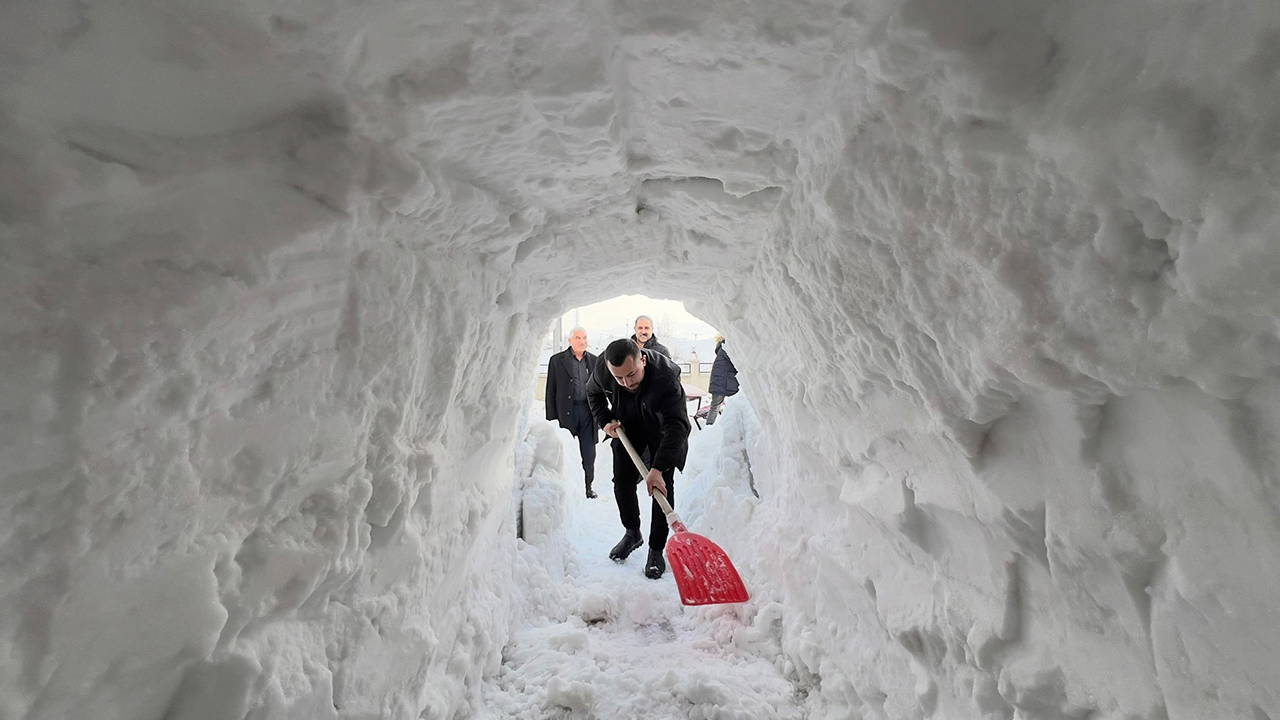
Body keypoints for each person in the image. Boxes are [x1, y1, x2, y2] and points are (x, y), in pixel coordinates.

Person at [587, 338, 691, 579]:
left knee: (661, 486)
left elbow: (677, 426)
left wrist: (658, 468)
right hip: (627, 426)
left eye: (632, 375)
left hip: (661, 429)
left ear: (642, 359)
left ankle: (656, 549)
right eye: (619, 378)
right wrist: (605, 422)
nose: (626, 382)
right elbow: (592, 393)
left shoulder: (666, 378)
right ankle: (632, 532)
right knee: (621, 482)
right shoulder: (604, 369)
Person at [545, 327, 600, 498]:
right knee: (565, 453)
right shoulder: (556, 360)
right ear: (570, 340)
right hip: (565, 412)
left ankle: (588, 487)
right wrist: (552, 420)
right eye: (578, 337)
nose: (582, 341)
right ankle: (566, 488)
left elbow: (600, 390)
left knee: (589, 454)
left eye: (584, 337)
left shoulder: (594, 360)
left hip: (587, 413)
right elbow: (550, 391)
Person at [706, 335, 739, 425]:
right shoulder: (726, 349)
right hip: (723, 383)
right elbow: (736, 363)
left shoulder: (721, 350)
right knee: (716, 407)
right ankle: (709, 428)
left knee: (715, 407)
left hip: (719, 382)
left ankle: (709, 428)